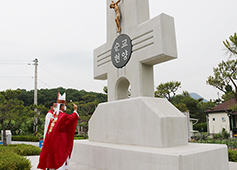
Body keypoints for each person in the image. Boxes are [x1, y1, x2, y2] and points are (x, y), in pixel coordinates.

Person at [38, 93, 79, 170]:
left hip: (53, 139)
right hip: (60, 140)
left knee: (53, 159)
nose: (65, 107)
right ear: (62, 106)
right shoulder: (62, 116)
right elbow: (71, 119)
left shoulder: (54, 115)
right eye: (64, 105)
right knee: (60, 158)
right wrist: (75, 111)